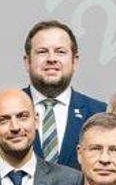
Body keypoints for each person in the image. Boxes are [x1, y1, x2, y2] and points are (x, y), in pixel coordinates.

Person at [22, 20, 106, 167]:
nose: (51, 59)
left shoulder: (99, 113)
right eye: (42, 52)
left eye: (60, 52)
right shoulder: (0, 112)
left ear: (74, 61)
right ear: (27, 62)